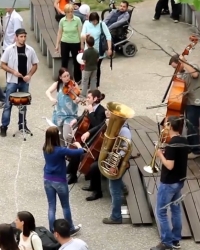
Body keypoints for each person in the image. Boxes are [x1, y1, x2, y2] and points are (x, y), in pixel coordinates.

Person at [150, 116, 188, 250]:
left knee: (160, 212)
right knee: (176, 210)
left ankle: (166, 242)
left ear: (170, 126)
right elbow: (178, 158)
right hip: (179, 181)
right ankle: (176, 240)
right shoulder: (183, 140)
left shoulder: (172, 144)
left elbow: (170, 165)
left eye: (166, 125)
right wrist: (166, 153)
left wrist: (160, 153)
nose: (163, 127)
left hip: (169, 183)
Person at [81, 111, 130, 209]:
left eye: (110, 113)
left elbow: (125, 148)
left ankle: (98, 192)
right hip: (110, 153)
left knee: (95, 166)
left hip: (117, 158)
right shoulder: (111, 124)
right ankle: (93, 186)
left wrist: (114, 161)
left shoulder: (125, 130)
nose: (106, 113)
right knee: (89, 159)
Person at [43, 126, 85, 234]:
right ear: (56, 137)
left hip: (47, 179)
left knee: (51, 206)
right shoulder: (61, 150)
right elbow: (80, 152)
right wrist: (78, 145)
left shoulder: (45, 148)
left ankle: (52, 230)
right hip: (59, 180)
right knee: (65, 205)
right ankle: (70, 228)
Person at [0, 28, 39, 137]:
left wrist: (29, 75)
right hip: (12, 81)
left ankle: (22, 125)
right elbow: (2, 64)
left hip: (24, 82)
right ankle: (4, 126)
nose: (23, 38)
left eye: (24, 36)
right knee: (8, 104)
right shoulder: (9, 49)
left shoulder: (30, 50)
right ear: (16, 37)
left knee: (23, 105)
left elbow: (35, 64)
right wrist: (13, 72)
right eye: (21, 36)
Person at [67, 89, 106, 184]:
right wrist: (76, 120)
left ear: (95, 98)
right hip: (85, 136)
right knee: (75, 149)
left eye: (89, 97)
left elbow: (97, 125)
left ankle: (72, 173)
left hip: (94, 138)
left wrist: (91, 112)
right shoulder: (89, 107)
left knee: (77, 152)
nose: (87, 99)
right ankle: (72, 173)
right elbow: (83, 117)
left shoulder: (101, 111)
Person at [169, 54, 200, 159]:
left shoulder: (192, 67)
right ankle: (191, 147)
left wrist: (184, 61)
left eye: (176, 67)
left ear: (180, 63)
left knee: (192, 126)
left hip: (196, 102)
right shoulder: (181, 73)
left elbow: (195, 74)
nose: (176, 70)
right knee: (189, 125)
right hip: (188, 102)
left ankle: (196, 151)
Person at [46, 67, 80, 145]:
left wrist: (77, 100)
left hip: (70, 115)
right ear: (60, 77)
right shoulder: (57, 84)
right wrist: (51, 98)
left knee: (67, 136)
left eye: (68, 75)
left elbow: (76, 98)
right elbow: (48, 91)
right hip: (59, 114)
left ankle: (70, 151)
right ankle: (63, 153)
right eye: (64, 76)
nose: (67, 78)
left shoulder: (74, 84)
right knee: (59, 136)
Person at [81, 12, 112, 88]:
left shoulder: (102, 24)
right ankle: (88, 83)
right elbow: (82, 35)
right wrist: (85, 36)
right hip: (88, 49)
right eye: (93, 21)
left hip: (99, 50)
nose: (94, 22)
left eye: (96, 21)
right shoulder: (86, 23)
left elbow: (108, 36)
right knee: (88, 67)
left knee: (97, 67)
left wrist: (109, 48)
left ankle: (96, 84)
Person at [55, 4, 82, 83]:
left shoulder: (77, 20)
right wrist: (57, 45)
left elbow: (80, 32)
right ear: (66, 12)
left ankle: (77, 79)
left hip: (75, 42)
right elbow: (59, 33)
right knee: (64, 61)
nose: (70, 13)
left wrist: (82, 44)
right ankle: (63, 78)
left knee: (76, 61)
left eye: (72, 11)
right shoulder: (62, 20)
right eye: (69, 12)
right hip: (65, 42)